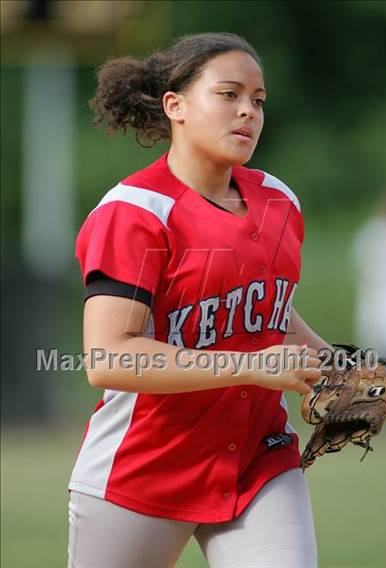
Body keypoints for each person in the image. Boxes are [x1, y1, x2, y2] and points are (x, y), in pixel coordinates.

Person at [67, 32, 332, 568]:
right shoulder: (135, 212)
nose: (247, 112)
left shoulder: (278, 201)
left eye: (257, 100)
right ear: (176, 105)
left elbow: (269, 315)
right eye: (228, 94)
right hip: (145, 468)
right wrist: (251, 368)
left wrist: (337, 366)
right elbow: (109, 357)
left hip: (258, 461)